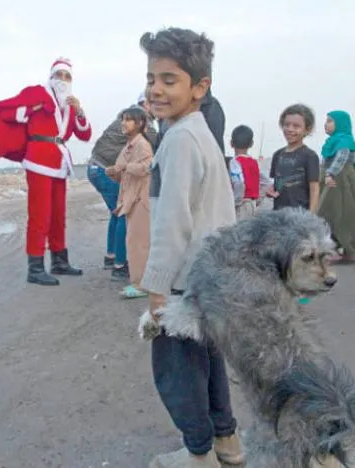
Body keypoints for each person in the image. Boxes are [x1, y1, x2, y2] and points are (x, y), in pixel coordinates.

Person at [138, 27, 245, 468]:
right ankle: (227, 443)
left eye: (170, 79)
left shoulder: (180, 139)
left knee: (178, 372)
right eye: (151, 78)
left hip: (186, 279)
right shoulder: (198, 133)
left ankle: (198, 453)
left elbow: (172, 222)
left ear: (200, 87)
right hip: (213, 275)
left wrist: (158, 290)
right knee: (210, 363)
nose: (157, 89)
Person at [0, 57, 91, 286]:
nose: (63, 79)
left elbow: (85, 135)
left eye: (67, 76)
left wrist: (79, 112)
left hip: (59, 160)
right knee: (40, 214)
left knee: (58, 214)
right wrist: (36, 107)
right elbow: (10, 113)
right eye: (59, 75)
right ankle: (35, 267)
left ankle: (59, 261)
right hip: (39, 157)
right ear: (51, 76)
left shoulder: (69, 104)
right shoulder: (36, 93)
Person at [88, 94, 158, 281]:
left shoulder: (127, 120)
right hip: (103, 169)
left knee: (116, 212)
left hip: (96, 168)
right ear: (146, 104)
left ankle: (111, 257)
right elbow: (155, 146)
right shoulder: (140, 120)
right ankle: (120, 265)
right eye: (155, 102)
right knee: (123, 214)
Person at [317, 110, 355, 263]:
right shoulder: (336, 140)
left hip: (338, 178)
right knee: (333, 212)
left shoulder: (343, 139)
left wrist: (330, 174)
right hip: (336, 177)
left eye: (330, 121)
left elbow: (341, 159)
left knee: (341, 213)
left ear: (340, 124)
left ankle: (348, 250)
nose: (326, 124)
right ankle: (340, 248)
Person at [113, 106, 154, 299]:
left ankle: (142, 285)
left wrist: (125, 167)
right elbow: (122, 169)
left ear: (140, 123)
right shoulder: (129, 144)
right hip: (132, 198)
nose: (124, 123)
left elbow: (147, 166)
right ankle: (139, 282)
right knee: (134, 241)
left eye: (128, 119)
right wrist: (115, 171)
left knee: (138, 242)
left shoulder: (142, 145)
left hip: (140, 198)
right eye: (123, 119)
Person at [267, 104, 321, 213]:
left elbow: (314, 189)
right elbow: (276, 182)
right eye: (286, 125)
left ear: (307, 129)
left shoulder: (310, 156)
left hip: (300, 215)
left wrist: (311, 216)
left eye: (296, 126)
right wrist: (271, 190)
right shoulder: (277, 155)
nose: (290, 129)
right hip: (278, 213)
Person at [229, 125, 272, 219]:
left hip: (240, 205)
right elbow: (267, 182)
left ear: (231, 143)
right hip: (252, 204)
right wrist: (258, 198)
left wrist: (235, 202)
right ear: (251, 144)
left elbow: (239, 183)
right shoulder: (255, 162)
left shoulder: (234, 162)